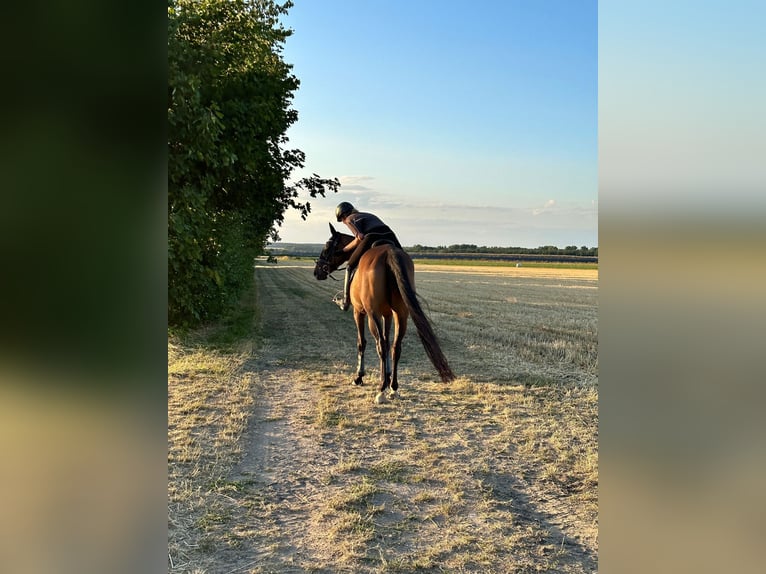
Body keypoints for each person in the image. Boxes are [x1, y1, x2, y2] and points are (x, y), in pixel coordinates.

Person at [334, 201, 402, 311]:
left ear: (343, 216)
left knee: (349, 266)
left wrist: (343, 250)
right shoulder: (368, 215)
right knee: (402, 261)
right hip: (390, 235)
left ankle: (346, 301)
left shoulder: (349, 219)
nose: (343, 222)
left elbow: (359, 238)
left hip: (372, 236)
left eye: (341, 219)